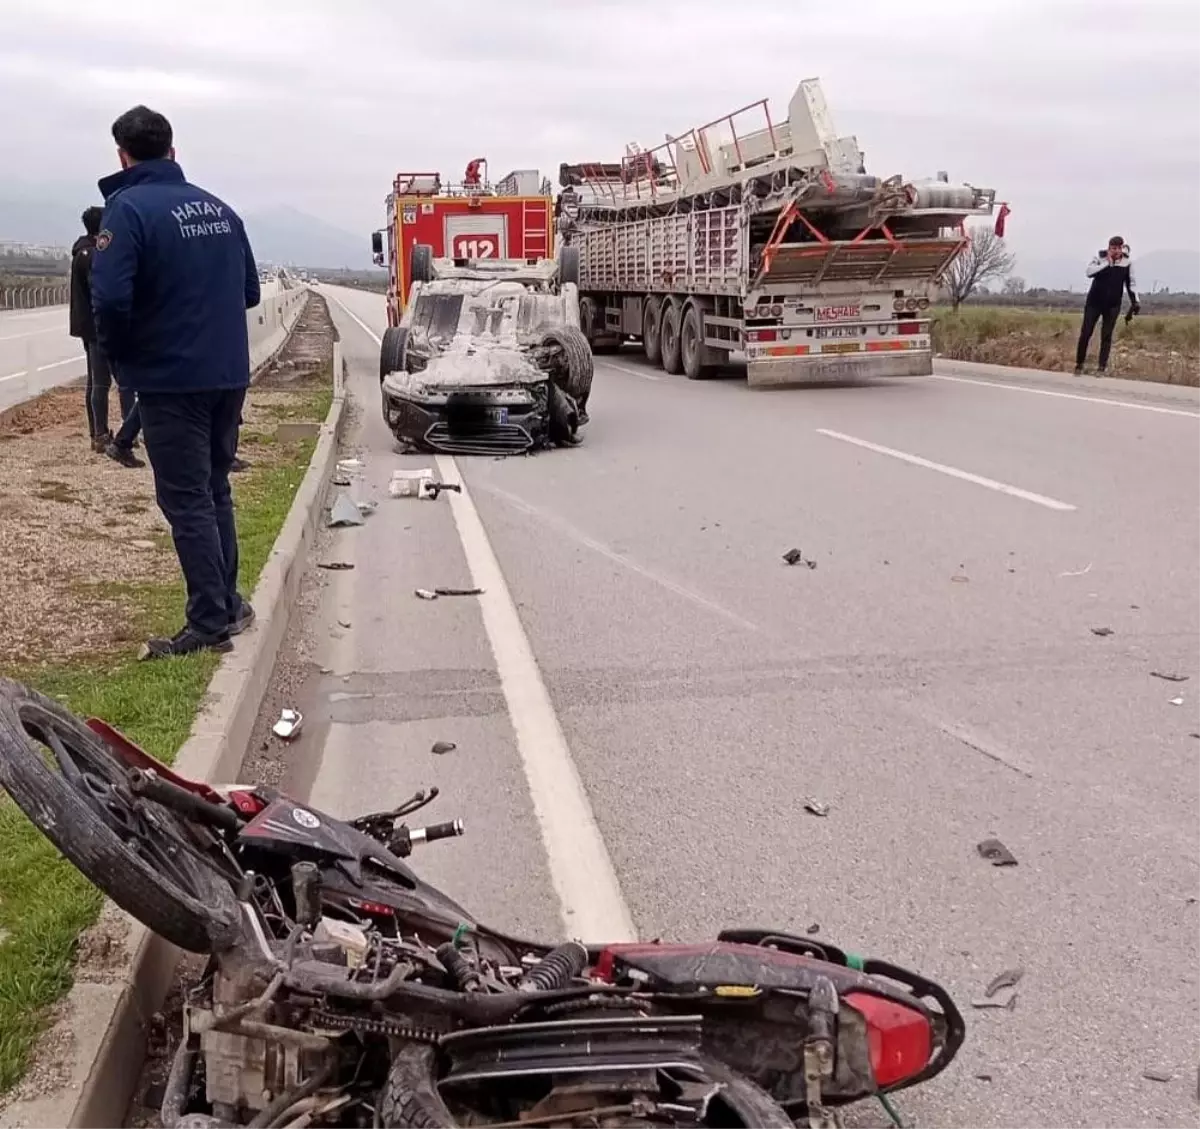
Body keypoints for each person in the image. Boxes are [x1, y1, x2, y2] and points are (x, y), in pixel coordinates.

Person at [91, 105, 261, 659]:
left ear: (123, 154)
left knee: (186, 500)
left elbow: (112, 298)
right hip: (228, 372)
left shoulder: (128, 209)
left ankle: (209, 621)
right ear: (172, 150)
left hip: (170, 378)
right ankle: (229, 604)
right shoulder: (221, 209)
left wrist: (119, 354)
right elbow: (251, 293)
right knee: (215, 490)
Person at [69, 206, 145, 464]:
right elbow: (102, 294)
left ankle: (99, 432)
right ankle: (117, 433)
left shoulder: (81, 251)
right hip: (101, 327)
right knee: (116, 380)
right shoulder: (93, 255)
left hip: (88, 327)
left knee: (96, 381)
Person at [1074, 235, 1140, 376]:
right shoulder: (1099, 258)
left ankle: (1101, 367)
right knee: (1086, 333)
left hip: (1112, 305)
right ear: (1109, 248)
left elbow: (1131, 284)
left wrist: (1135, 302)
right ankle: (1079, 365)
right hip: (1094, 302)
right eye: (1113, 248)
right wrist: (1107, 263)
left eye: (1119, 248)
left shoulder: (1127, 263)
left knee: (1107, 335)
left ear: (1123, 248)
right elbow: (1089, 272)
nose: (1117, 251)